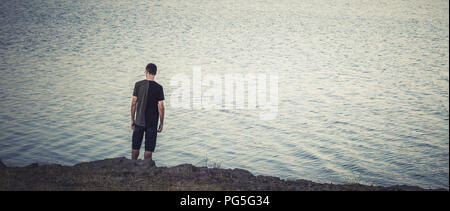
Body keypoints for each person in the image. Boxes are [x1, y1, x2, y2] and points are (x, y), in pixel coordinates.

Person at [130, 63, 165, 160]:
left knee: (135, 149)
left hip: (139, 121)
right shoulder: (159, 88)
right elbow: (161, 107)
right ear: (155, 73)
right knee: (148, 151)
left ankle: (132, 168)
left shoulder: (138, 85)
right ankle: (147, 170)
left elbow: (133, 103)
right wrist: (161, 123)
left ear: (146, 72)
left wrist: (132, 120)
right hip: (152, 123)